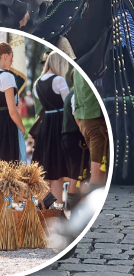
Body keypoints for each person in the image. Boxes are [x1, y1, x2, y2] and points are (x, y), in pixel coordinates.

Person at [32, 52, 71, 197]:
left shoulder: (37, 83)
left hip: (46, 124)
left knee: (46, 166)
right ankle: (57, 205)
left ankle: (44, 205)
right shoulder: (59, 80)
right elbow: (68, 104)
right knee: (57, 167)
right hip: (59, 123)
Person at [73, 67, 108, 191]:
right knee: (98, 171)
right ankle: (96, 208)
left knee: (97, 169)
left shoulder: (76, 68)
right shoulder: (91, 64)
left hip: (84, 120)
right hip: (95, 119)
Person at [62, 72, 90, 212]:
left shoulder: (69, 95)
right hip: (76, 139)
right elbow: (77, 117)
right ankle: (75, 212)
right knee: (78, 175)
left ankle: (73, 209)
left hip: (68, 137)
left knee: (75, 175)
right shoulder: (75, 94)